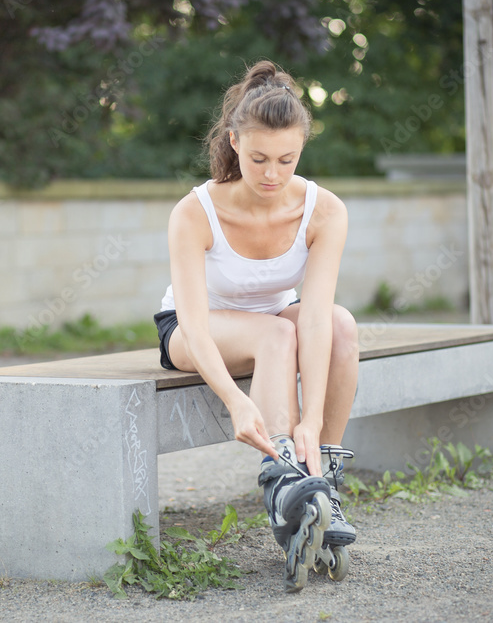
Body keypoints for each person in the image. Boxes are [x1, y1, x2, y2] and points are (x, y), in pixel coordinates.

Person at [153, 60, 359, 591]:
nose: (272, 174)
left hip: (275, 318)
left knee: (341, 325)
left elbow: (313, 318)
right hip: (192, 328)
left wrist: (310, 417)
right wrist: (235, 400)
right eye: (259, 158)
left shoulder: (324, 210)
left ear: (302, 152)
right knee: (276, 333)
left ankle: (320, 482)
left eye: (287, 160)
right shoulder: (194, 212)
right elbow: (195, 325)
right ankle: (284, 483)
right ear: (234, 143)